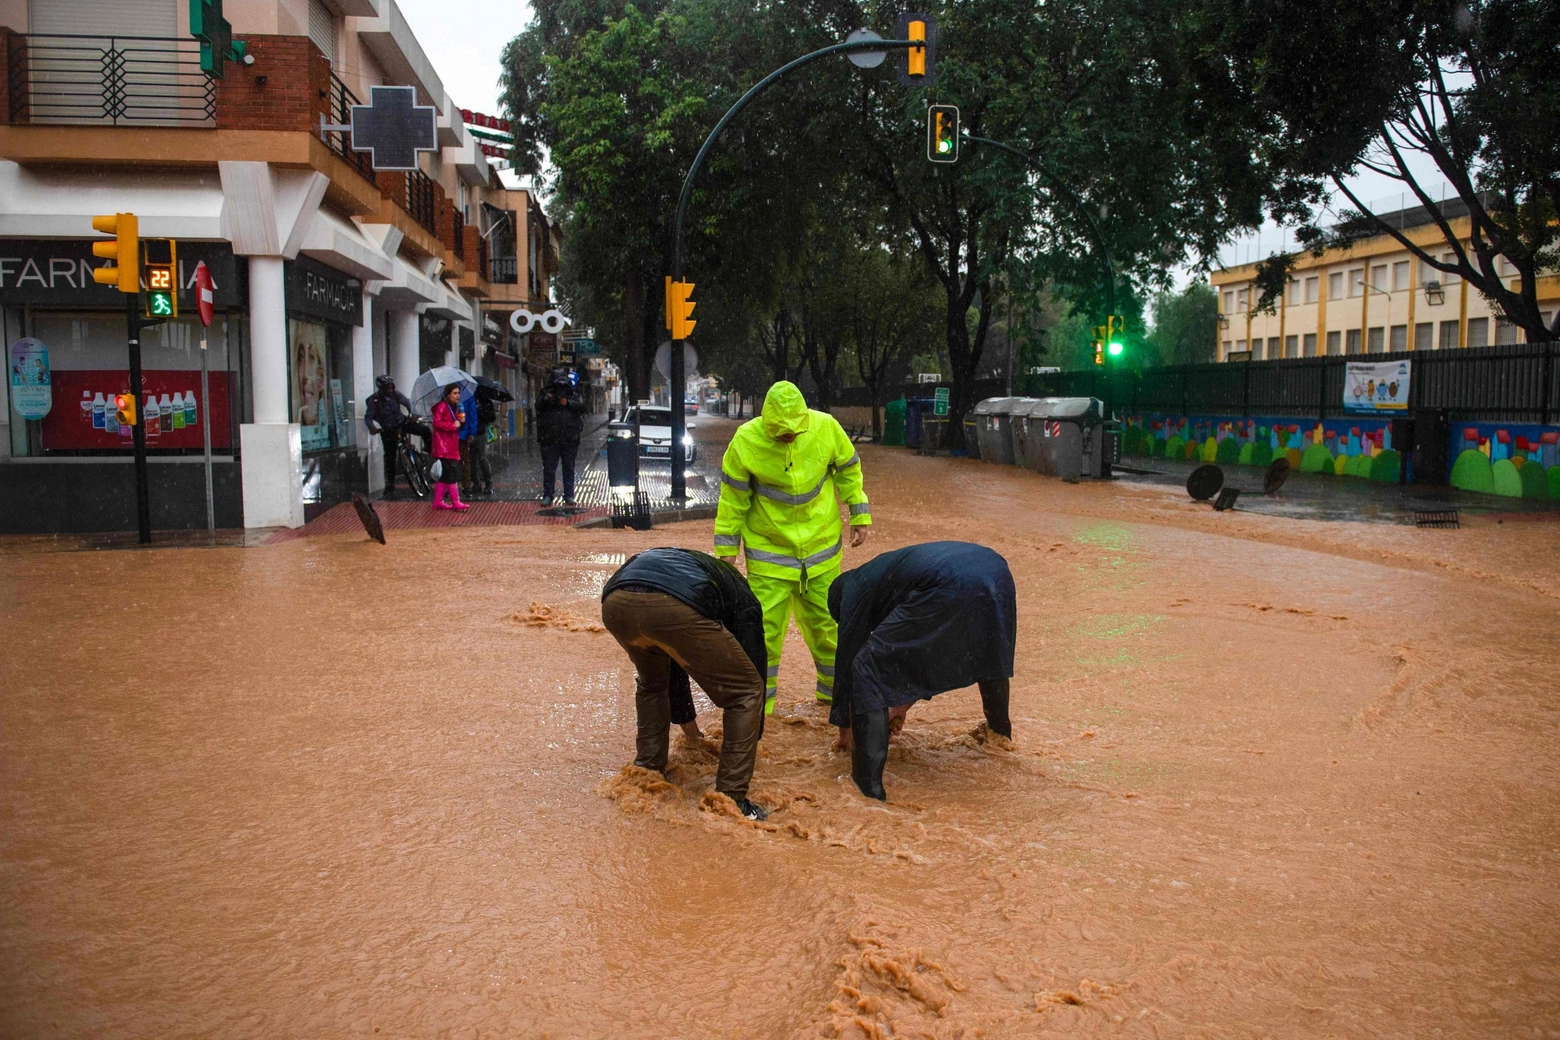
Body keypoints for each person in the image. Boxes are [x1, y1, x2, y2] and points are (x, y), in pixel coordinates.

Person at [713, 380, 871, 715]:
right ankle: (758, 710)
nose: (787, 436)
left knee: (830, 630)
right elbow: (733, 500)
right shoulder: (745, 441)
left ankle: (834, 702)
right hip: (770, 558)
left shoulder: (826, 428)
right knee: (762, 635)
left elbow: (848, 470)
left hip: (822, 552)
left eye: (793, 431)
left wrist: (860, 512)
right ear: (766, 423)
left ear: (804, 420)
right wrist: (726, 548)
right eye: (779, 432)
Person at [826, 541, 1017, 801]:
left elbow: (848, 659)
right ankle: (1000, 739)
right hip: (995, 571)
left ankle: (865, 790)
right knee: (987, 649)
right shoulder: (885, 575)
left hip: (950, 581)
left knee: (866, 665)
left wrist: (846, 732)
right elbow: (925, 649)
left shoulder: (851, 589)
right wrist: (902, 705)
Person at [601, 548, 770, 821]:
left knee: (652, 683)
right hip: (670, 605)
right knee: (746, 691)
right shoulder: (744, 598)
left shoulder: (701, 570)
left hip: (616, 602)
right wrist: (755, 734)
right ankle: (730, 800)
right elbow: (754, 661)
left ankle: (647, 771)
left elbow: (675, 664)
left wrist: (691, 733)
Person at [535, 367, 586, 505]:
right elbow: (538, 406)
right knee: (549, 469)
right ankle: (548, 494)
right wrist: (550, 398)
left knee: (569, 468)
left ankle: (569, 494)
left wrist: (567, 402)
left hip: (569, 438)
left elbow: (582, 407)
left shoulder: (571, 392)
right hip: (549, 438)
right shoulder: (546, 393)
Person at [363, 375, 412, 498]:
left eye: (392, 388)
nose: (390, 390)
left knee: (424, 430)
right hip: (388, 429)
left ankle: (424, 452)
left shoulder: (396, 395)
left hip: (401, 423)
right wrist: (371, 427)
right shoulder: (374, 400)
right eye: (388, 388)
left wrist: (414, 413)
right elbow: (368, 417)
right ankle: (390, 484)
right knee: (390, 456)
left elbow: (407, 402)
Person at [429, 383, 470, 511]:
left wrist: (461, 422)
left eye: (458, 393)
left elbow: (459, 426)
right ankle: (456, 501)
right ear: (448, 394)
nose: (458, 396)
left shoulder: (455, 408)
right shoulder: (443, 406)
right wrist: (452, 425)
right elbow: (437, 422)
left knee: (445, 476)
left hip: (451, 446)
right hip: (443, 448)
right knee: (451, 474)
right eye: (455, 393)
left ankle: (438, 501)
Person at [468, 389, 497, 496]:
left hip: (480, 433)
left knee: (482, 458)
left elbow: (492, 418)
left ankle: (488, 484)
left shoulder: (487, 403)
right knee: (472, 460)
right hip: (470, 433)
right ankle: (476, 483)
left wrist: (481, 411)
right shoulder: (469, 401)